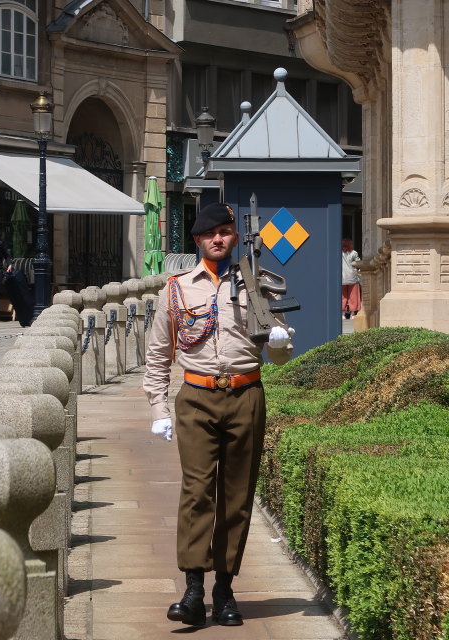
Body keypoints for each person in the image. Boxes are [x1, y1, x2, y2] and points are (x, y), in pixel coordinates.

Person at [143, 202, 294, 628]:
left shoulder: (259, 285)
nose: (219, 238)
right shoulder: (175, 290)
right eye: (211, 233)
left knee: (237, 495)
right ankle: (193, 589)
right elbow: (157, 355)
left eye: (226, 231)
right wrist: (158, 406)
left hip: (246, 395)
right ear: (197, 240)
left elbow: (280, 356)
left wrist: (281, 340)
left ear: (233, 236)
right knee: (196, 491)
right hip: (196, 397)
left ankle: (224, 590)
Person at [342, 237, 361, 320]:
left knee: (342, 297)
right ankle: (353, 314)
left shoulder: (339, 252)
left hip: (342, 277)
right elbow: (358, 263)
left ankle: (342, 314)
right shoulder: (354, 253)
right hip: (352, 277)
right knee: (353, 296)